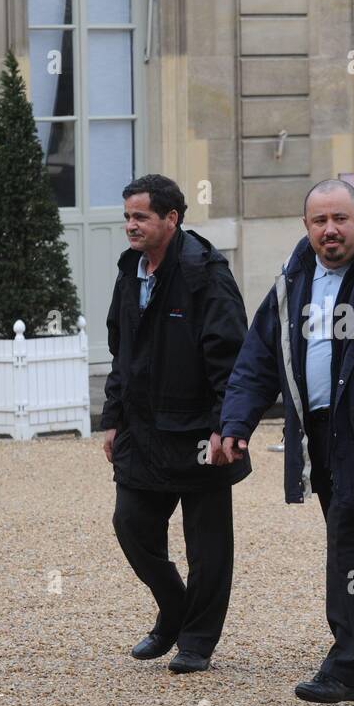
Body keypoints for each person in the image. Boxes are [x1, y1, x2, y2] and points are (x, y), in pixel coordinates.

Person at [216, 179, 354, 704]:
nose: (330, 230)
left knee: (350, 544)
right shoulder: (293, 279)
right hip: (317, 433)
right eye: (319, 221)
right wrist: (236, 424)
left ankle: (346, 664)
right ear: (306, 228)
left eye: (340, 219)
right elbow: (258, 358)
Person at [100, 174, 251, 674]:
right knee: (131, 524)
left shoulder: (206, 273)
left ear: (172, 218)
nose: (131, 226)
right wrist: (113, 417)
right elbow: (121, 350)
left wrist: (223, 425)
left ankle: (197, 640)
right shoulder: (130, 272)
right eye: (127, 216)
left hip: (200, 434)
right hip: (142, 432)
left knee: (207, 545)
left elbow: (230, 357)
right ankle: (175, 608)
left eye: (140, 216)